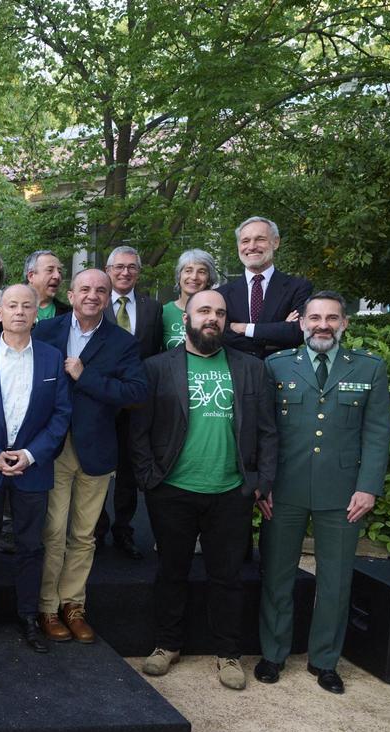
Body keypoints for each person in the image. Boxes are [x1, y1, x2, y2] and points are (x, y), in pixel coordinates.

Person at [129, 289, 277, 690]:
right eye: (204, 311)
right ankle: (166, 644)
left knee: (227, 576)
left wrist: (262, 482)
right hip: (172, 489)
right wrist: (148, 477)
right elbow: (138, 431)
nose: (212, 318)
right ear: (187, 319)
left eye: (220, 313)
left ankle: (228, 652)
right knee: (172, 571)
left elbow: (266, 430)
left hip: (231, 491)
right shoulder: (157, 367)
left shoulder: (250, 368)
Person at [257, 292, 390, 694]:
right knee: (277, 576)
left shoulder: (369, 368)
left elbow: (377, 433)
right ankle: (273, 653)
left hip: (343, 493)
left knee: (336, 581)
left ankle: (325, 661)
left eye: (332, 318)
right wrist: (262, 484)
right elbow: (265, 433)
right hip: (285, 489)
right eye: (315, 317)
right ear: (302, 323)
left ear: (344, 323)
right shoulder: (276, 365)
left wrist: (368, 487)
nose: (323, 325)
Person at [31, 269, 146, 642]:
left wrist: (86, 376)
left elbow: (135, 392)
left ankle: (73, 604)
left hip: (96, 451)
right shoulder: (45, 331)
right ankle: (47, 607)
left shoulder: (122, 342)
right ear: (72, 293)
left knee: (83, 535)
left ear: (109, 296)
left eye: (101, 290)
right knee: (52, 531)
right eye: (85, 289)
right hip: (53, 447)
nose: (92, 295)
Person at [0, 285, 71, 651]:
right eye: (12, 305)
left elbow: (60, 415)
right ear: (0, 313)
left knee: (30, 546)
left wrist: (31, 454)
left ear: (37, 313)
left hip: (32, 467)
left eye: (27, 305)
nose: (20, 311)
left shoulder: (53, 358)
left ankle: (28, 616)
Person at [95, 245, 164, 560]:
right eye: (118, 267)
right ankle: (96, 529)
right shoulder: (93, 303)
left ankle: (123, 529)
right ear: (108, 271)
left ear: (139, 272)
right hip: (100, 401)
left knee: (128, 470)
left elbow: (155, 355)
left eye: (131, 267)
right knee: (95, 468)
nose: (125, 272)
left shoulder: (153, 308)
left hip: (136, 403)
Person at [217, 216, 312, 359]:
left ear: (276, 242)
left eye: (260, 239)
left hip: (280, 372)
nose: (252, 246)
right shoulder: (221, 294)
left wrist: (244, 328)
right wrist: (279, 331)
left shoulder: (298, 287)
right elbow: (221, 336)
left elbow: (297, 332)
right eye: (245, 241)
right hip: (237, 373)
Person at [162, 249, 220, 350]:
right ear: (179, 275)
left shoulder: (217, 314)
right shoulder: (163, 312)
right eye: (188, 271)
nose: (194, 277)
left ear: (209, 279)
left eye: (201, 272)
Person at [25, 250, 70, 322]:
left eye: (60, 272)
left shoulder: (68, 314)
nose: (57, 276)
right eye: (50, 270)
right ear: (31, 276)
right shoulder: (10, 308)